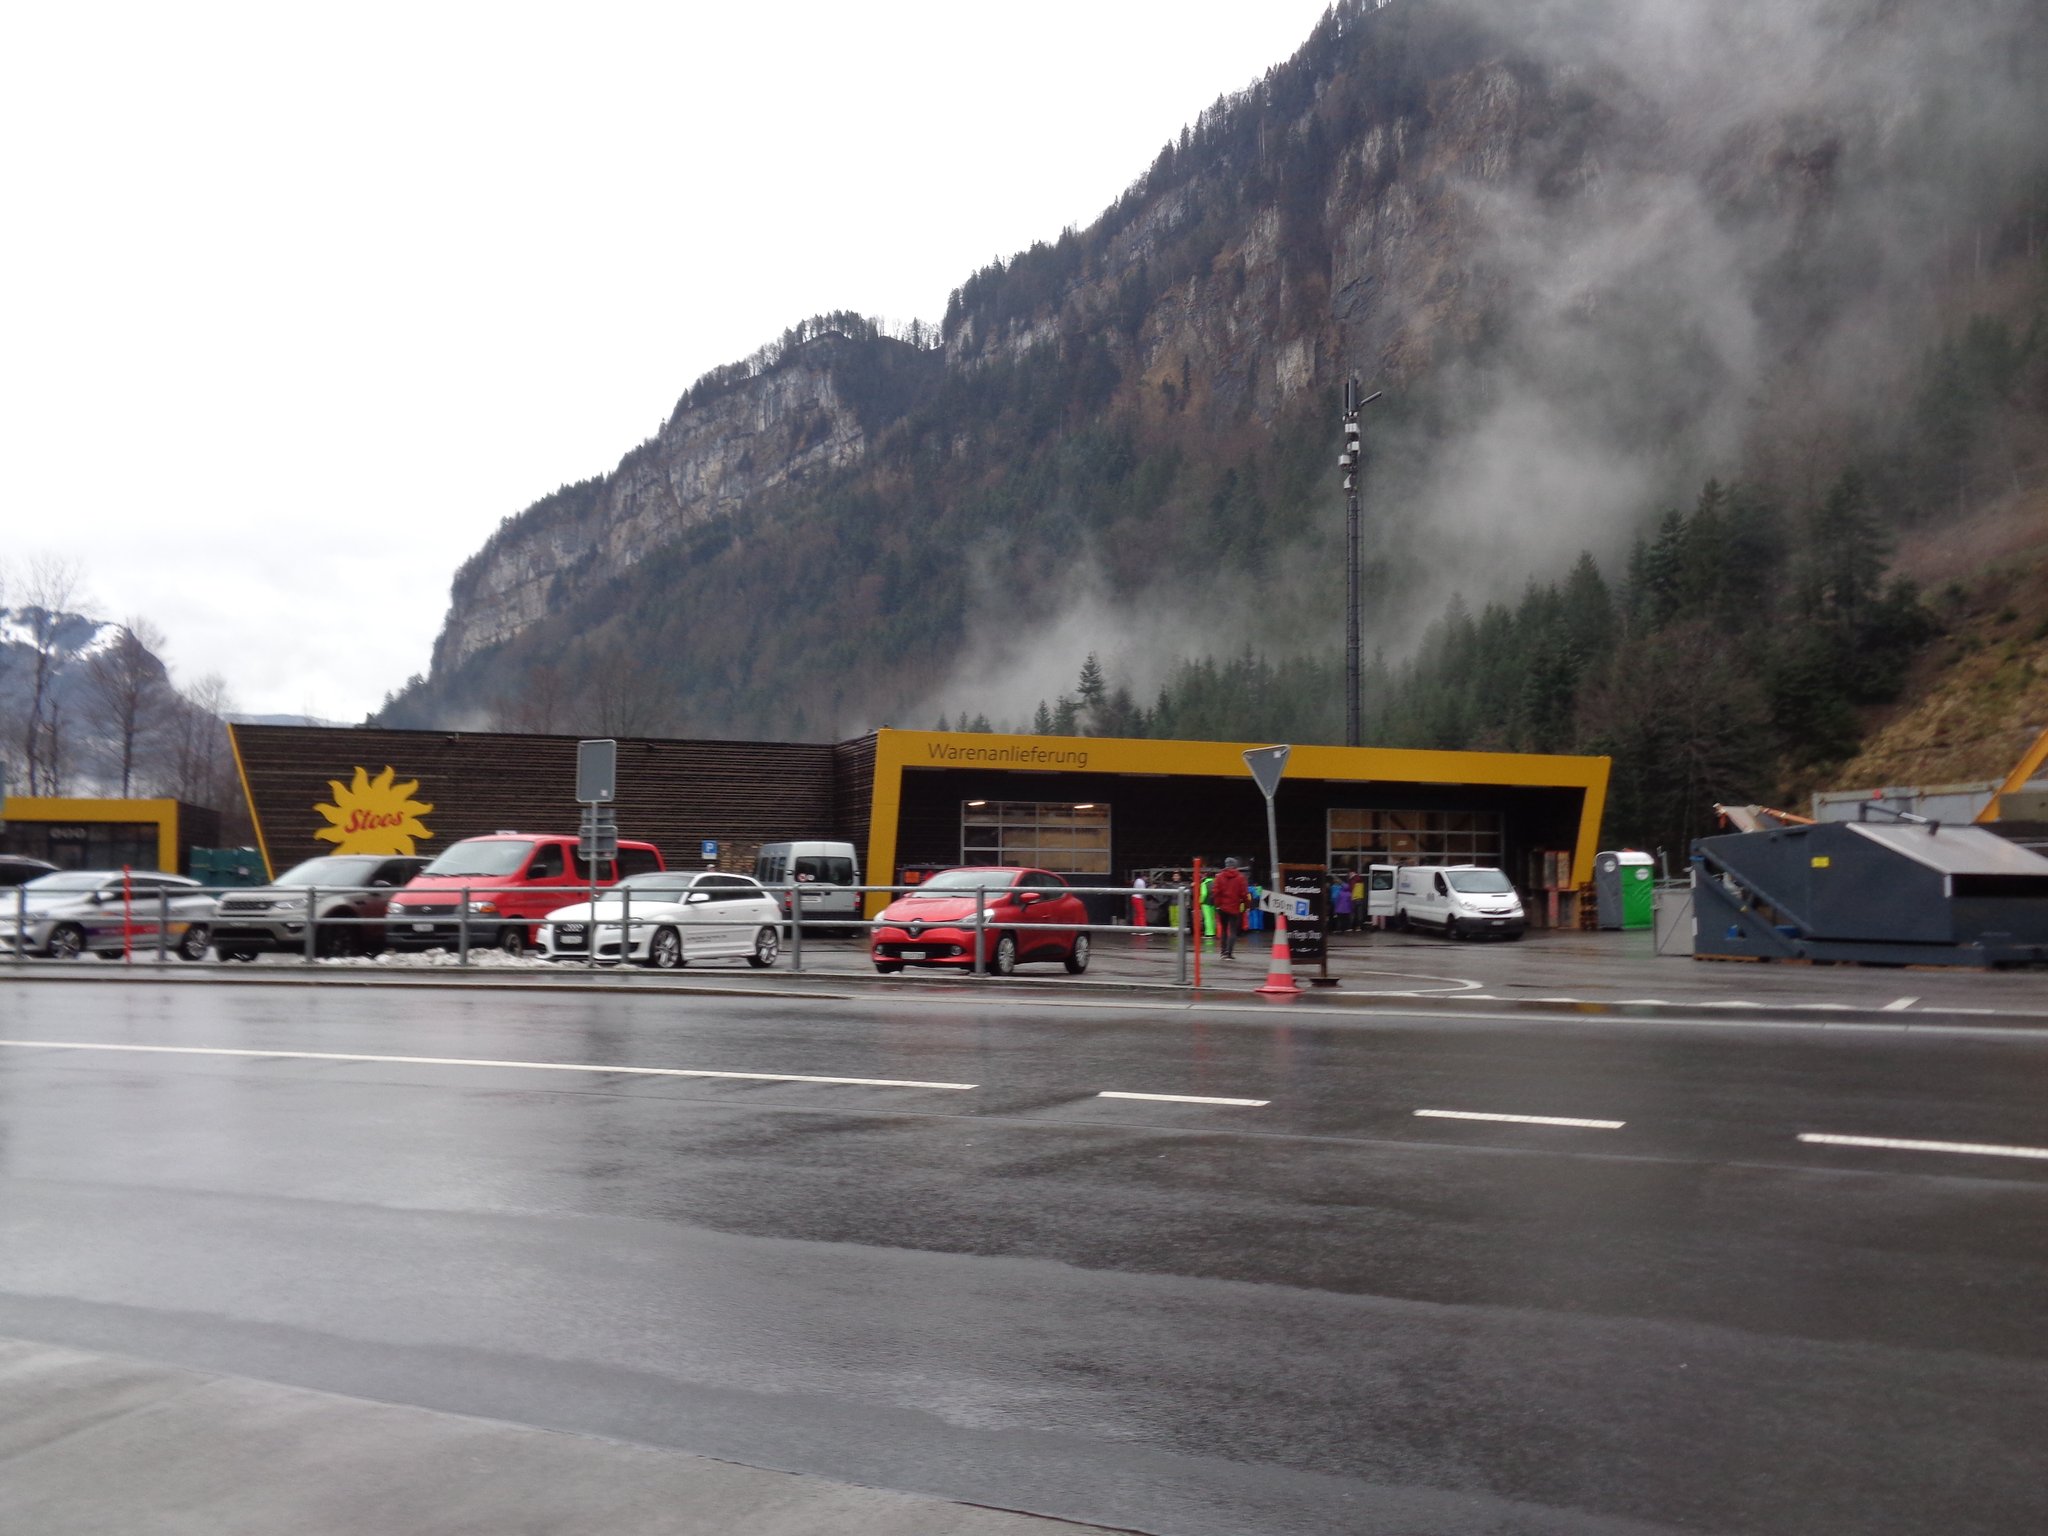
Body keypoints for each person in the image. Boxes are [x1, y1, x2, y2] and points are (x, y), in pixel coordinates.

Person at [1210, 856, 1250, 959]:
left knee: (1224, 930)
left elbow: (1215, 892)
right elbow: (1244, 894)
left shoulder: (1219, 877)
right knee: (1232, 931)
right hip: (1234, 908)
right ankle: (1229, 953)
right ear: (1235, 866)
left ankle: (1223, 952)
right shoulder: (1240, 878)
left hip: (1222, 908)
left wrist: (1217, 905)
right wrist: (1246, 905)